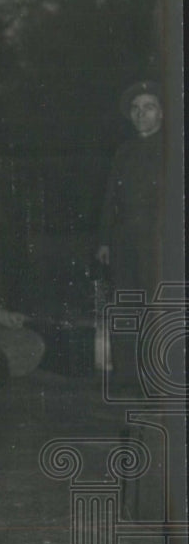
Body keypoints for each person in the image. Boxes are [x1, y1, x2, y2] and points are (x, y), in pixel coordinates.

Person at [95, 80, 164, 388]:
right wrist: (104, 240)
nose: (141, 115)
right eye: (136, 109)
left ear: (161, 113)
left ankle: (157, 380)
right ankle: (126, 379)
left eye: (148, 108)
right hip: (124, 243)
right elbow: (110, 198)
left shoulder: (171, 151)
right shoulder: (124, 152)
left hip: (158, 242)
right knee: (125, 307)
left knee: (157, 308)